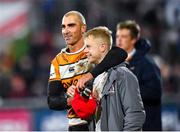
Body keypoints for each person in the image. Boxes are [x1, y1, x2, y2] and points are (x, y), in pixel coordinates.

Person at [47, 11, 127, 131]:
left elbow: (121, 54)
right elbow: (52, 101)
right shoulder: (57, 62)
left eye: (71, 25)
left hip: (103, 118)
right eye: (63, 27)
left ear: (83, 28)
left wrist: (90, 75)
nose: (66, 31)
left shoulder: (93, 48)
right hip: (77, 125)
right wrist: (71, 99)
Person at [83, 26, 145, 131]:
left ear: (102, 47)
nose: (85, 51)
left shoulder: (123, 75)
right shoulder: (95, 78)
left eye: (88, 47)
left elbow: (135, 115)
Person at [116, 20, 162, 130]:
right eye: (118, 36)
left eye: (124, 36)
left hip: (146, 125)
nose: (119, 40)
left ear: (134, 39)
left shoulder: (147, 64)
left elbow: (155, 92)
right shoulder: (115, 64)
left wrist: (126, 91)